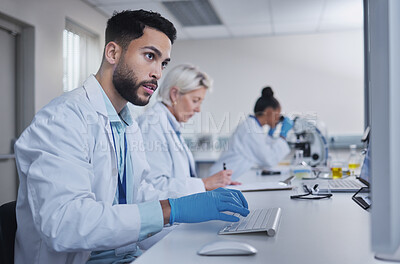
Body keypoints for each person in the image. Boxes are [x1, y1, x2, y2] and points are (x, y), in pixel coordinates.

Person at [13, 10, 249, 264]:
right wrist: (172, 209)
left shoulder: (126, 123)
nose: (158, 72)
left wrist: (194, 197)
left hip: (128, 254)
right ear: (113, 53)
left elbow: (139, 193)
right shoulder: (62, 120)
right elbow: (64, 224)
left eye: (163, 63)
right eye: (150, 56)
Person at [137, 64, 240, 201]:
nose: (198, 110)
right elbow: (153, 185)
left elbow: (180, 179)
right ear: (174, 94)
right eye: (195, 101)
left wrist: (211, 184)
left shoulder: (171, 125)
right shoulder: (152, 125)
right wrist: (205, 184)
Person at [209, 87, 293, 179]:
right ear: (269, 112)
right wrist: (283, 135)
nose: (278, 119)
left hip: (231, 176)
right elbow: (269, 159)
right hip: (221, 178)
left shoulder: (253, 126)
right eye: (277, 114)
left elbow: (263, 149)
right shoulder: (250, 129)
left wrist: (270, 135)